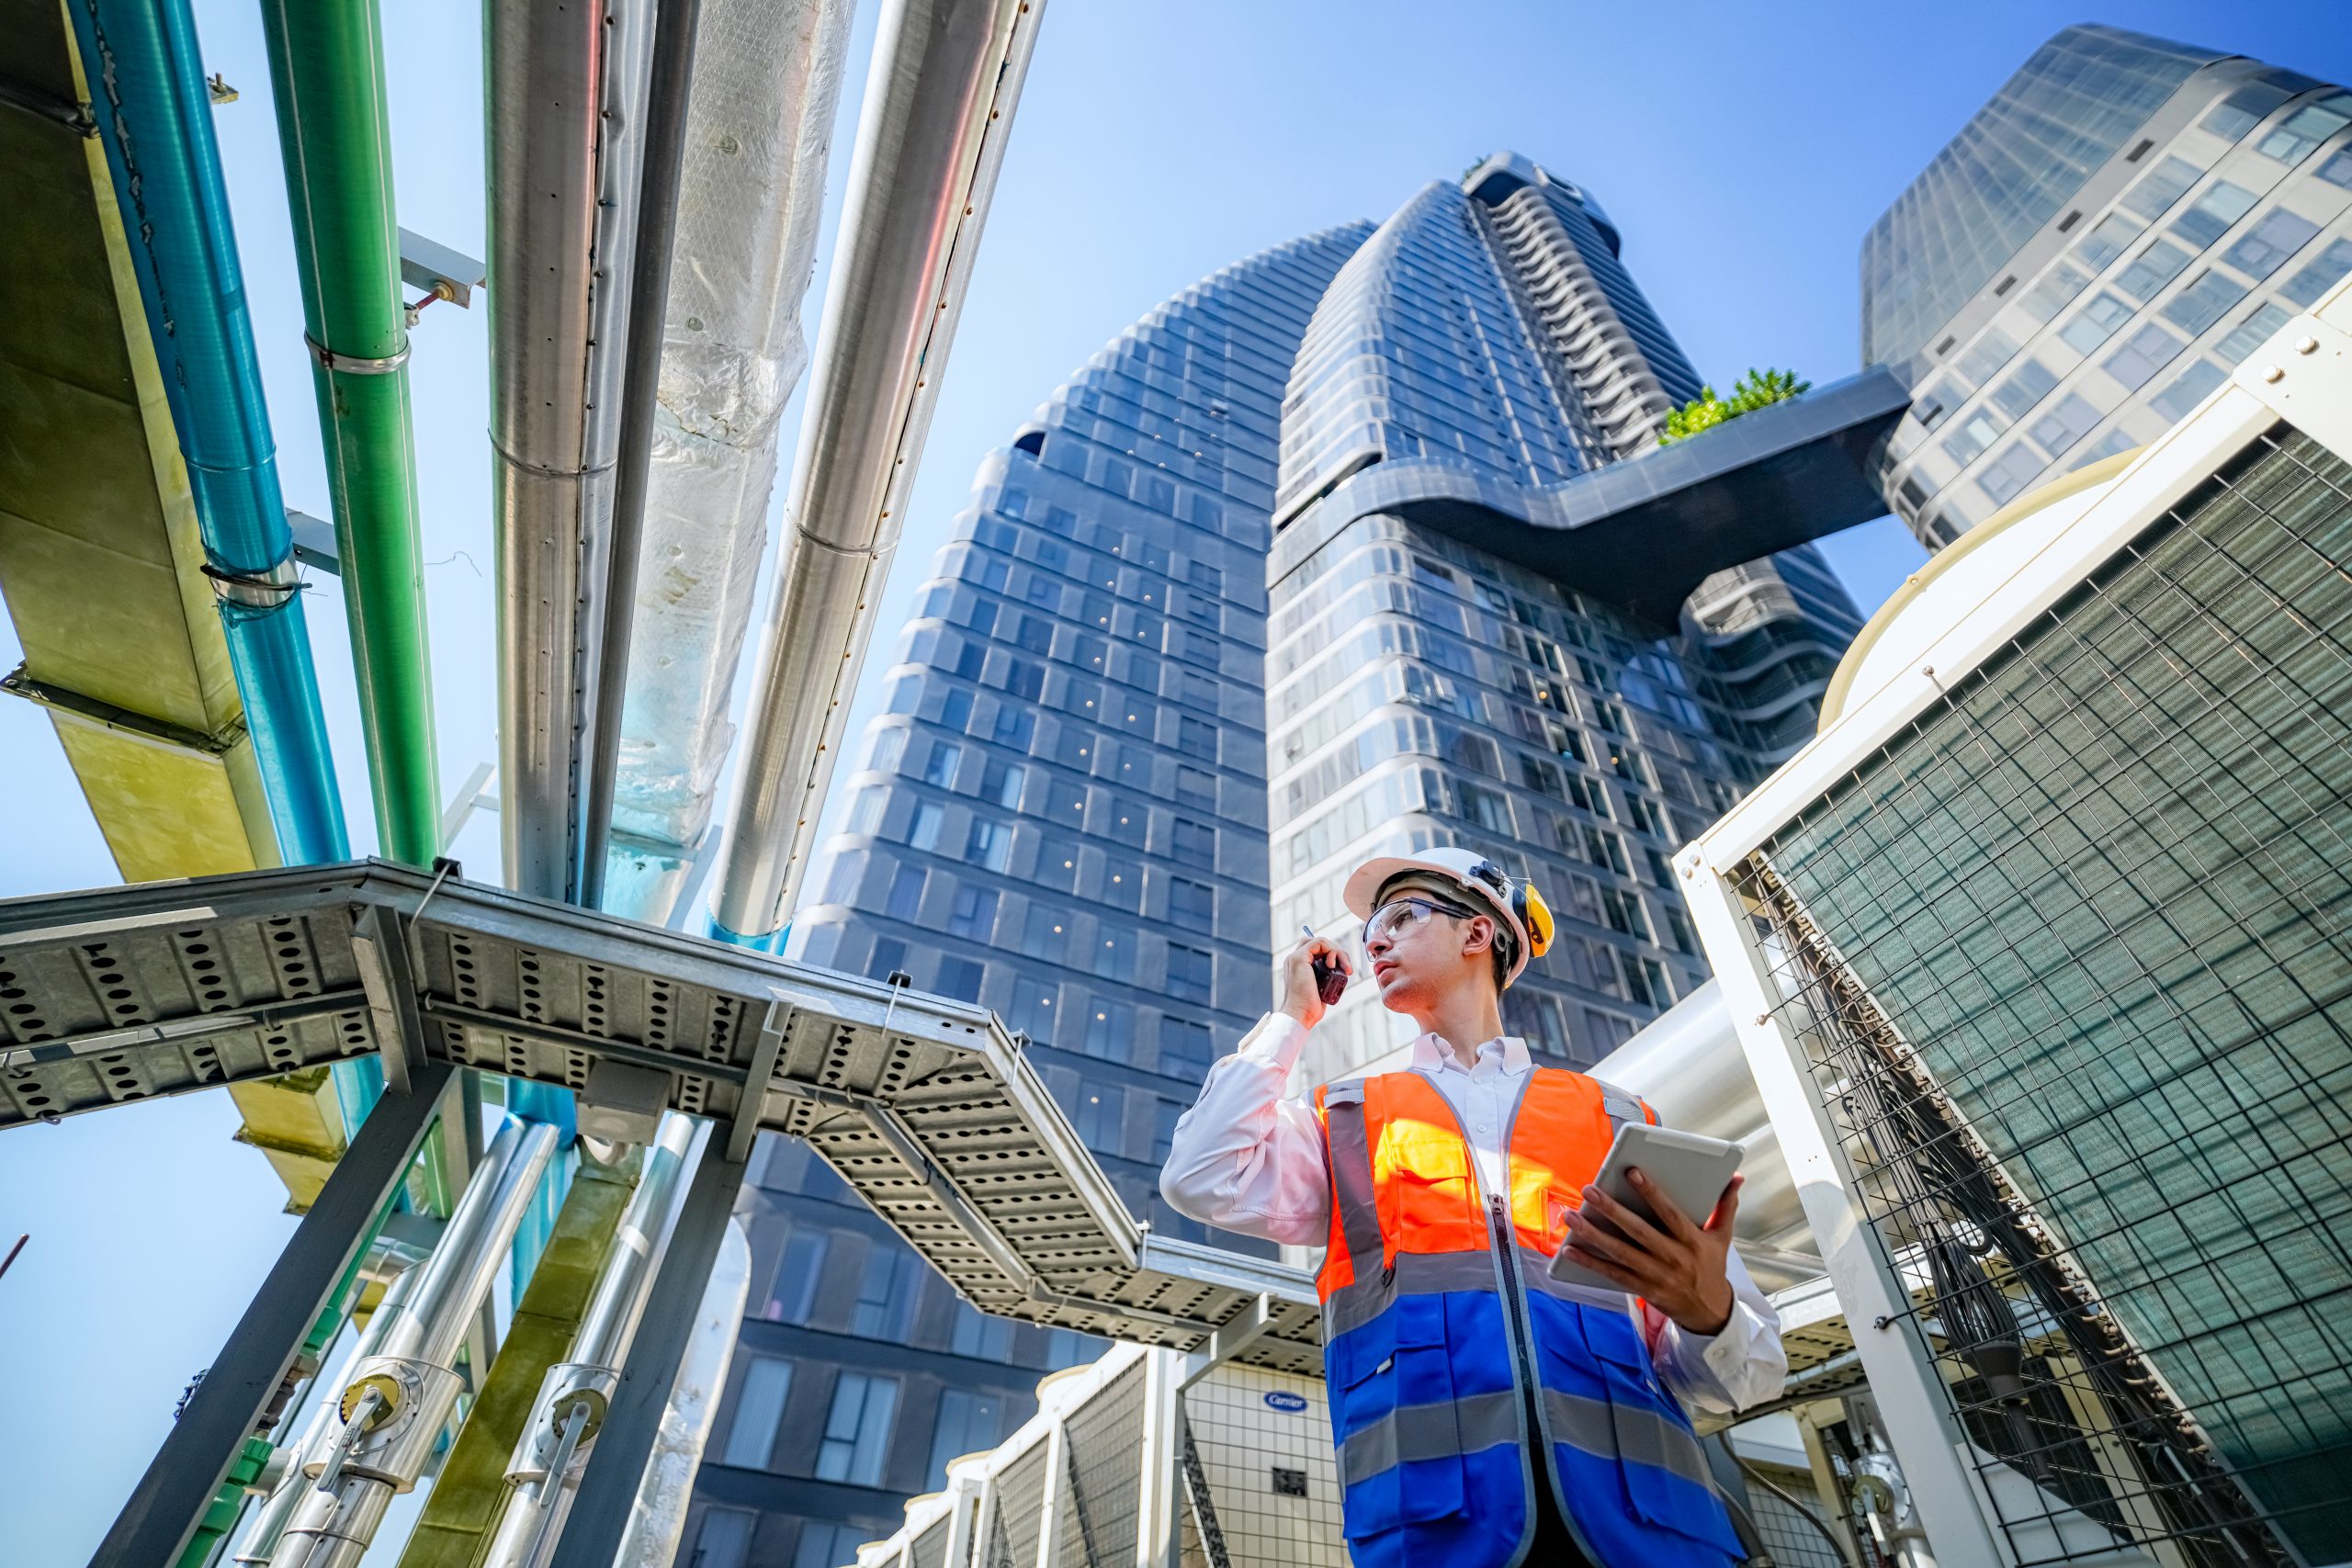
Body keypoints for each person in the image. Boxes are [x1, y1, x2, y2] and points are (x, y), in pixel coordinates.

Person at [1160, 848, 1785, 1568]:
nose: (1375, 943)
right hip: (1438, 1540)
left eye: (1401, 918)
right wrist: (1292, 1019)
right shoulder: (1348, 1118)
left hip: (1652, 1541)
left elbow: (1749, 1377)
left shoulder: (1616, 1118)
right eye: (1370, 934)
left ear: (1477, 933)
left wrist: (1710, 1315)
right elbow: (1200, 1172)